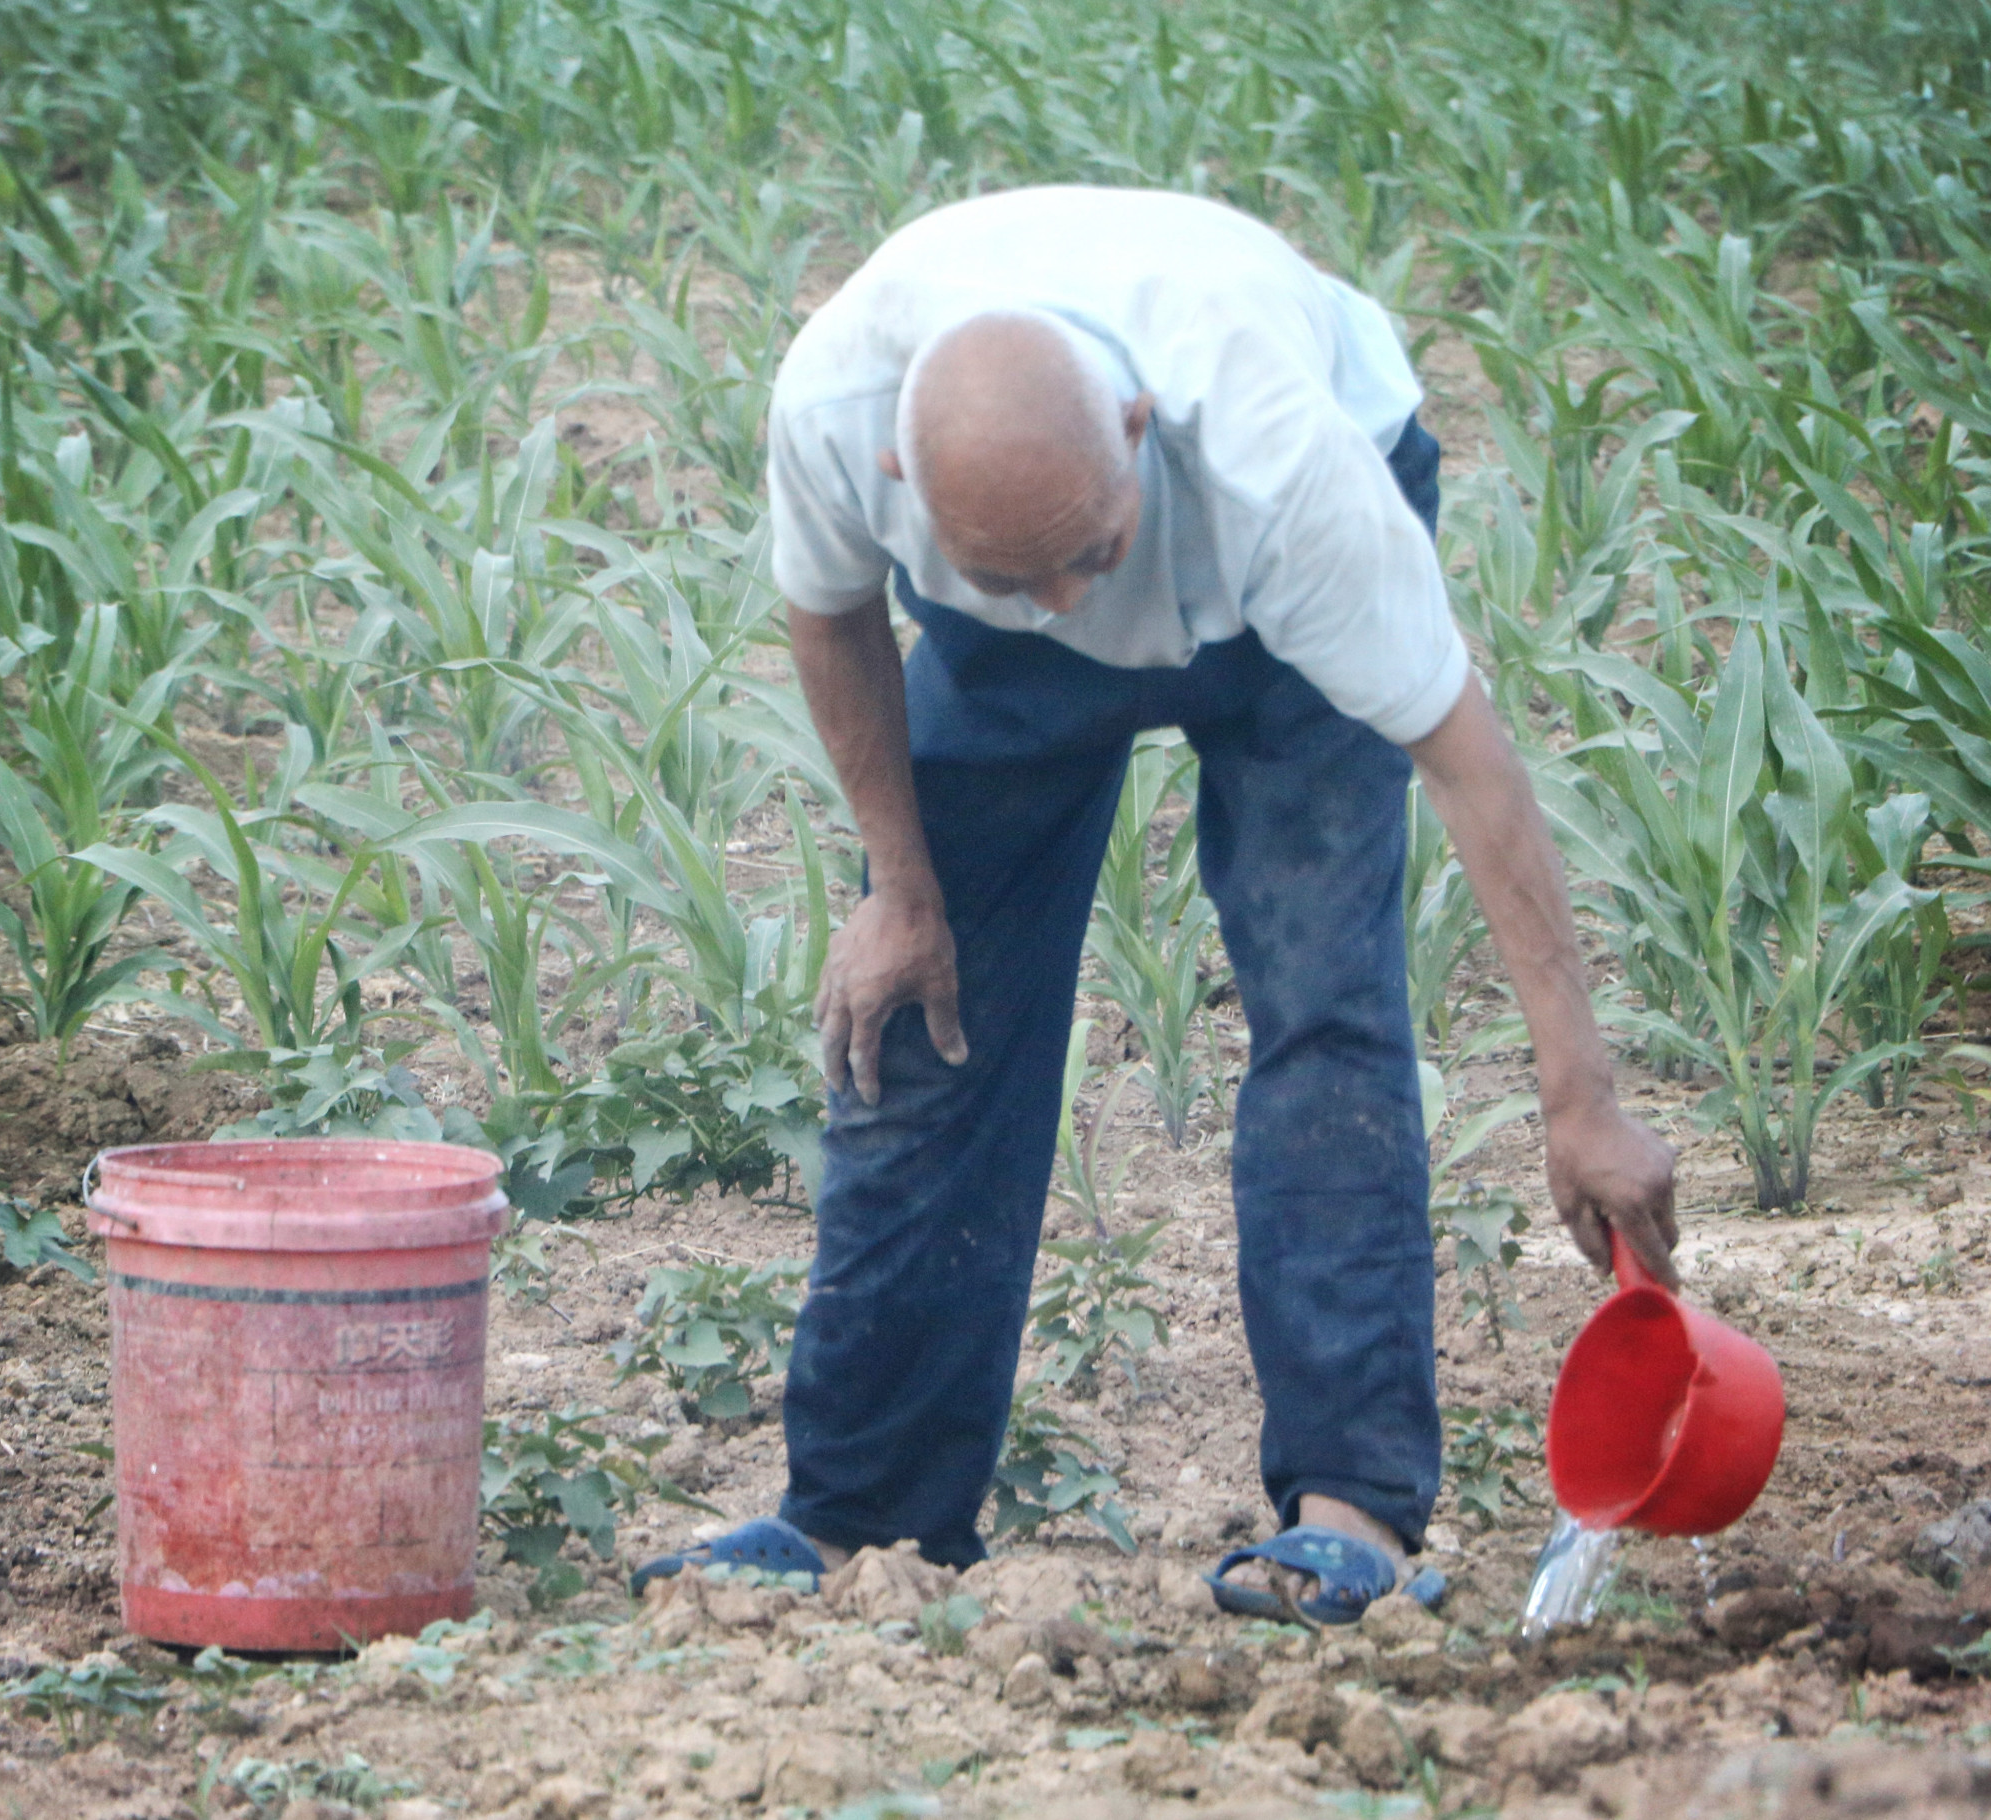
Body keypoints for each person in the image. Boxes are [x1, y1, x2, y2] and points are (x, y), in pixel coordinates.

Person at [631, 185, 1676, 1623]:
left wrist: (1582, 1096)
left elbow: (1472, 765)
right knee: (923, 1008)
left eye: (1090, 558)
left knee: (1323, 1002)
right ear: (897, 477)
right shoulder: (835, 408)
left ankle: (1353, 1515)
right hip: (1009, 624)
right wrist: (901, 882)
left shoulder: (1285, 464)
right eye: (1020, 577)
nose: (1068, 607)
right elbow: (829, 612)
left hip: (1267, 611)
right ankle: (863, 1516)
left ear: (1135, 428)